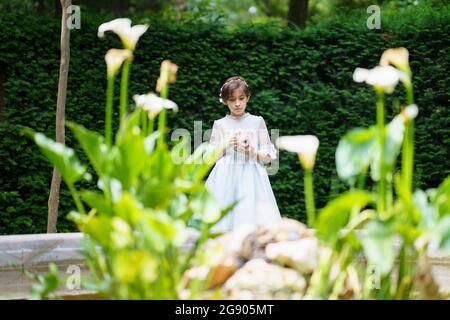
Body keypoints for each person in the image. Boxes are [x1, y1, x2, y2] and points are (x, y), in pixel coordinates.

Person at [205, 76, 282, 233]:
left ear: (248, 98)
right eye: (232, 100)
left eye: (241, 98)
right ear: (225, 101)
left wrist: (250, 151)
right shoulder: (219, 124)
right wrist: (225, 145)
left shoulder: (257, 121)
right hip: (224, 177)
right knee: (223, 217)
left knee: (251, 214)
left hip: (252, 176)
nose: (237, 103)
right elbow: (210, 158)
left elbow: (269, 157)